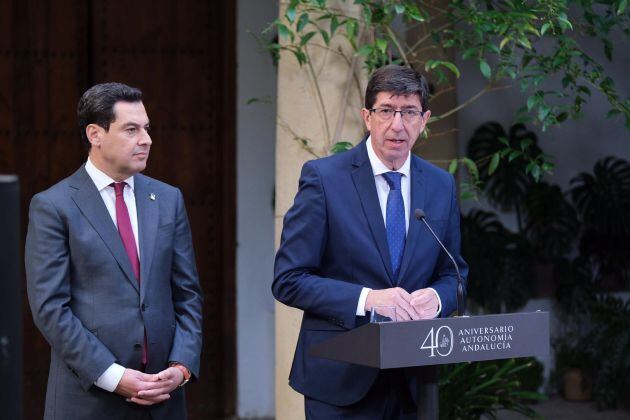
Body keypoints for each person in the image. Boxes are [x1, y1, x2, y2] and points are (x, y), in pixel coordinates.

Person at [272, 65, 468, 418]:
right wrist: (370, 299)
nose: (398, 124)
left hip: (412, 378)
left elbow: (454, 274)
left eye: (409, 112)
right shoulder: (324, 179)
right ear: (367, 117)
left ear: (424, 120)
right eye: (387, 111)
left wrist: (436, 299)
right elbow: (289, 280)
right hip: (339, 377)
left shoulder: (440, 185)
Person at [25, 82, 203, 420]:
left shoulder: (168, 199)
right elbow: (50, 308)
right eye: (131, 129)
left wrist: (181, 366)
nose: (146, 139)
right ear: (95, 134)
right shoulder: (54, 206)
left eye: (146, 129)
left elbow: (188, 294)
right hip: (88, 399)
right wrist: (114, 376)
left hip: (163, 399)